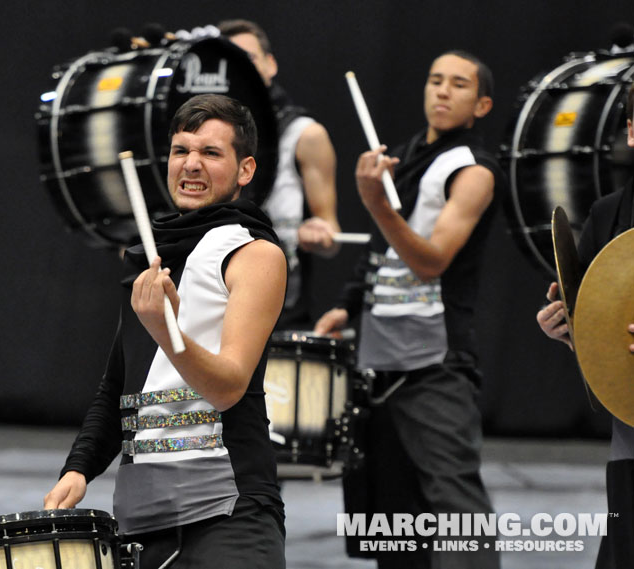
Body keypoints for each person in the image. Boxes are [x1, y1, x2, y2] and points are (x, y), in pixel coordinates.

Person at [44, 94, 287, 569]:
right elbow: (118, 387)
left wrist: (166, 329)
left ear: (245, 169)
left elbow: (228, 387)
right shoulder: (152, 256)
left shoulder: (255, 254)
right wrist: (79, 468)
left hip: (227, 511)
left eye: (211, 153)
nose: (191, 165)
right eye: (181, 150)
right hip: (140, 517)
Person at [314, 51, 503, 568]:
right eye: (435, 79)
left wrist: (377, 203)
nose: (442, 91)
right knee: (391, 514)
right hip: (380, 357)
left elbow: (432, 260)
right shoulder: (405, 156)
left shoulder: (476, 171)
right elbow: (383, 252)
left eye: (459, 84)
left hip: (434, 362)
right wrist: (347, 305)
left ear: (481, 104)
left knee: (455, 508)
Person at [536, 81, 634, 569]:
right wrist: (571, 330)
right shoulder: (607, 213)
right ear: (632, 132)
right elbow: (601, 332)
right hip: (630, 439)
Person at [218, 19, 341, 329]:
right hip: (212, 311)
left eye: (249, 59)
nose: (241, 69)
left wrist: (320, 233)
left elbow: (331, 235)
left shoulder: (305, 136)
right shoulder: (197, 140)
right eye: (229, 62)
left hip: (279, 318)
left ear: (270, 64)